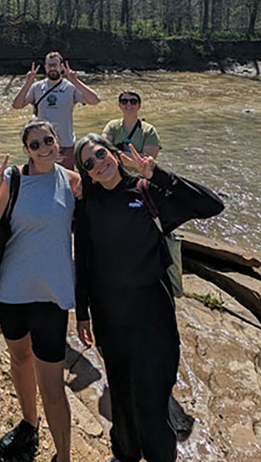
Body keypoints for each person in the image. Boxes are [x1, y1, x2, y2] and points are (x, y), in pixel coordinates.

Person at [74, 134, 224, 462]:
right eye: (89, 163)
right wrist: (81, 312)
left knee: (152, 401)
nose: (98, 163)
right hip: (109, 316)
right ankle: (125, 454)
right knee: (122, 397)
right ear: (86, 173)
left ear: (114, 153)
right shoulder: (87, 205)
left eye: (101, 154)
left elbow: (212, 205)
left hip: (152, 315)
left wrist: (157, 174)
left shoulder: (147, 192)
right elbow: (83, 260)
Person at [0, 120, 82, 462]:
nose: (43, 148)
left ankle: (64, 455)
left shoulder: (73, 182)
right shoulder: (13, 178)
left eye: (48, 140)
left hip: (52, 295)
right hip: (9, 290)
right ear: (27, 149)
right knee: (20, 358)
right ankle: (29, 423)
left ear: (58, 141)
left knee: (52, 383)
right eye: (35, 144)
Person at [12, 51, 100, 169]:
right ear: (45, 67)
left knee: (67, 180)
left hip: (65, 143)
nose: (52, 68)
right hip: (42, 145)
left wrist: (75, 81)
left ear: (61, 67)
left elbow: (95, 100)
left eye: (55, 65)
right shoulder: (37, 87)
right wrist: (28, 83)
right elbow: (17, 105)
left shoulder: (70, 87)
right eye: (49, 65)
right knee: (41, 178)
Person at [102, 91, 161, 157]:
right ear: (120, 105)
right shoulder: (112, 126)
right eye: (124, 101)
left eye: (133, 101)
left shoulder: (149, 130)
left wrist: (118, 154)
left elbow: (148, 159)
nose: (129, 104)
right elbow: (104, 148)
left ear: (139, 106)